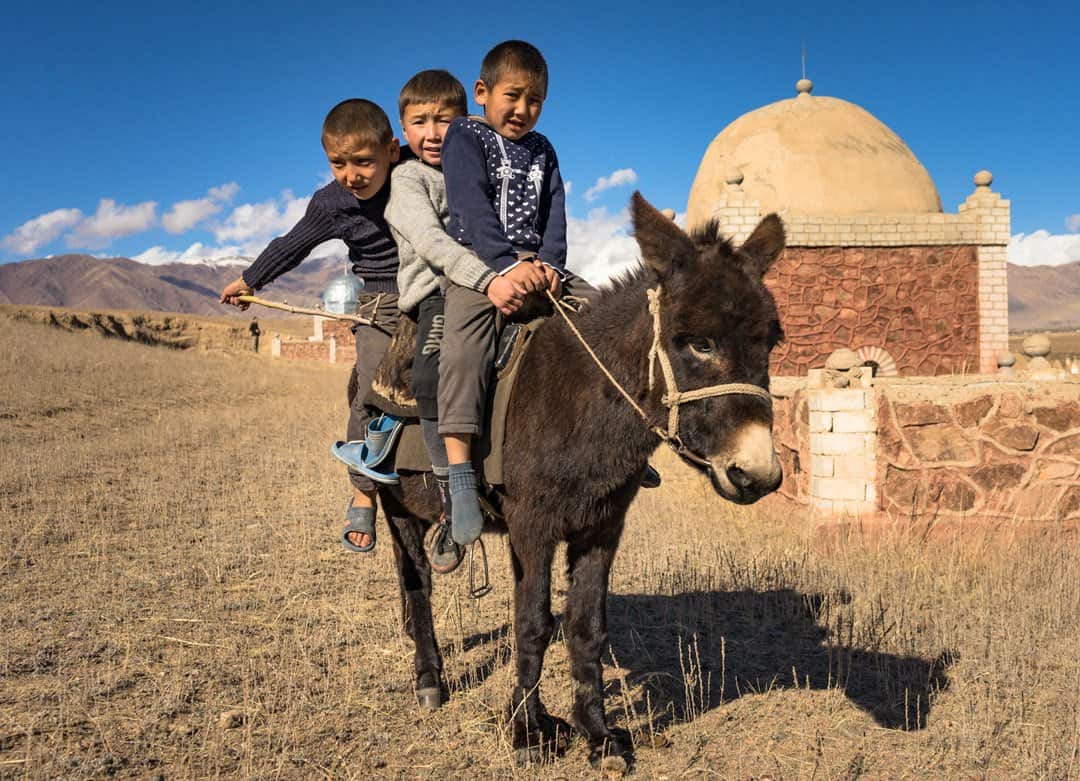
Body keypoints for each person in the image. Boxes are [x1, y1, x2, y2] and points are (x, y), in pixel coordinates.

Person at [437, 40, 604, 546]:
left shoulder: (543, 149)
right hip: (480, 268)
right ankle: (462, 476)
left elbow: (556, 213)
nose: (523, 110)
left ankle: (612, 440)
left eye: (535, 101)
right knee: (464, 351)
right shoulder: (464, 136)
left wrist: (550, 266)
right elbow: (470, 207)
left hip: (539, 267)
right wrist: (506, 267)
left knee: (606, 316)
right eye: (514, 96)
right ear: (482, 92)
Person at [220, 98, 403, 555]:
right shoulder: (331, 203)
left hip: (434, 292)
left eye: (363, 161)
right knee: (370, 392)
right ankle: (364, 492)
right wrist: (249, 279)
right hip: (379, 302)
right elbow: (291, 245)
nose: (351, 174)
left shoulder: (417, 174)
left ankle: (456, 491)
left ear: (392, 151)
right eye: (338, 163)